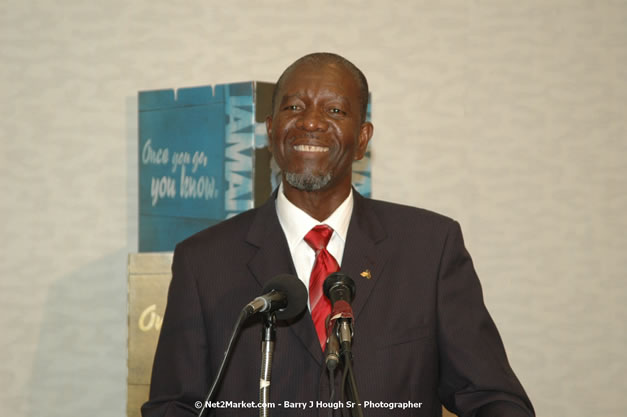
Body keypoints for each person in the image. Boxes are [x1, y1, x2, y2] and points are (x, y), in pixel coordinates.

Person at [142, 52, 535, 417]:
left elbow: (492, 397)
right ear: (271, 129)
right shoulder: (203, 260)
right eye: (294, 107)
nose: (310, 121)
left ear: (362, 138)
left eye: (334, 110)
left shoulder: (430, 248)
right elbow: (173, 406)